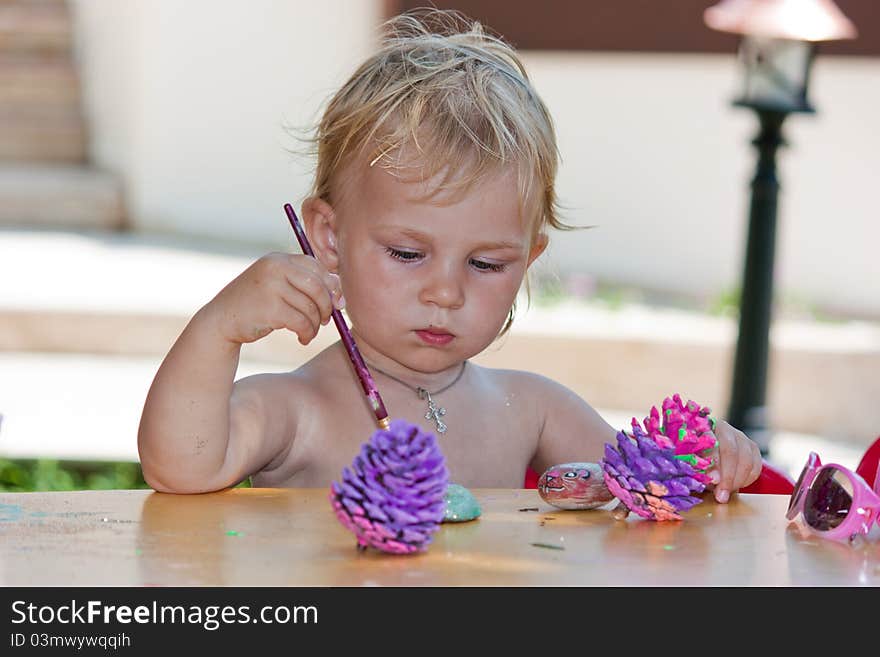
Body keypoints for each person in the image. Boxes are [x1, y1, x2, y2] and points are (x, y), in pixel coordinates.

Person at [137, 9, 762, 500]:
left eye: (487, 264)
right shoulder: (299, 409)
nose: (446, 292)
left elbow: (642, 490)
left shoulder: (533, 410)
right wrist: (219, 329)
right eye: (408, 253)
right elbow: (181, 465)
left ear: (528, 258)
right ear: (329, 239)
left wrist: (702, 461)